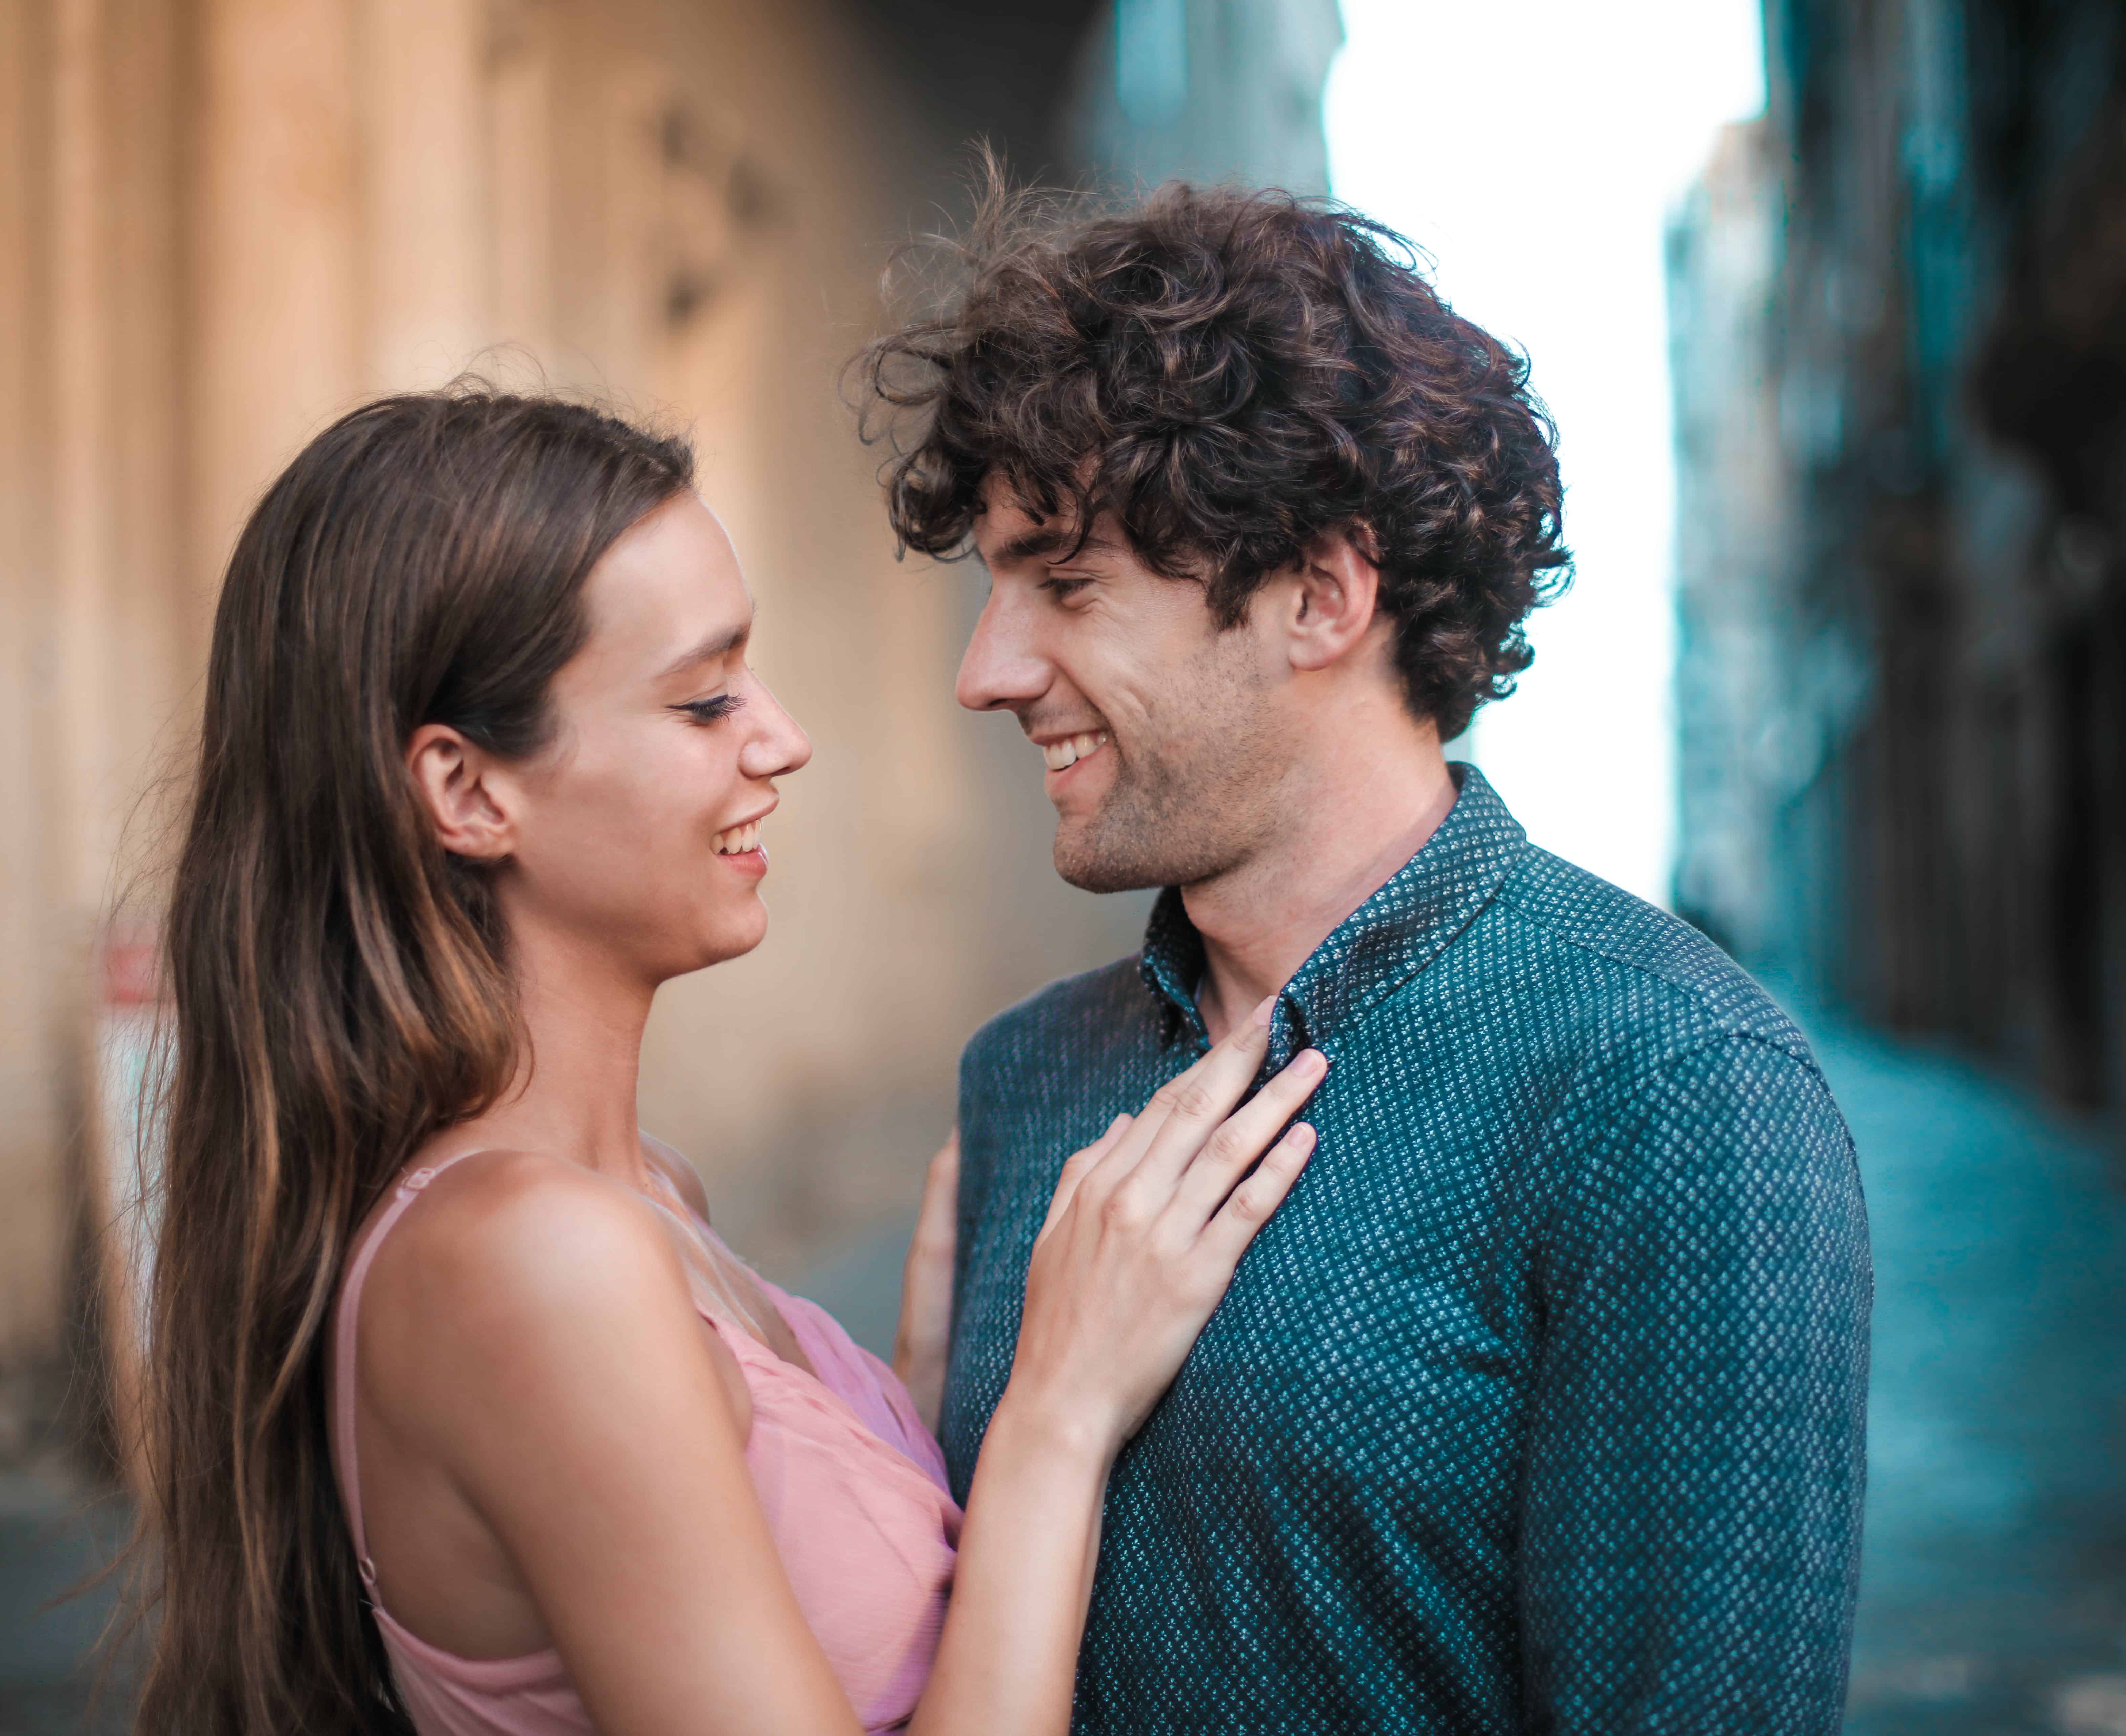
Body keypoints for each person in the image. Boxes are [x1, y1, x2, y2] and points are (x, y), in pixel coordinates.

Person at [125, 387, 1331, 1736]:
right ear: (469, 792)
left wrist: (916, 1398)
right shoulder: (531, 1259)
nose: (782, 737)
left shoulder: (648, 1195)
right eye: (704, 699)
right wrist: (1057, 1410)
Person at [864, 184, 1874, 1731]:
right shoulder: (1025, 1078)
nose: (985, 672)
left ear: (1323, 597)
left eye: (1066, 585)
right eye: (993, 589)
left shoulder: (1675, 1094)